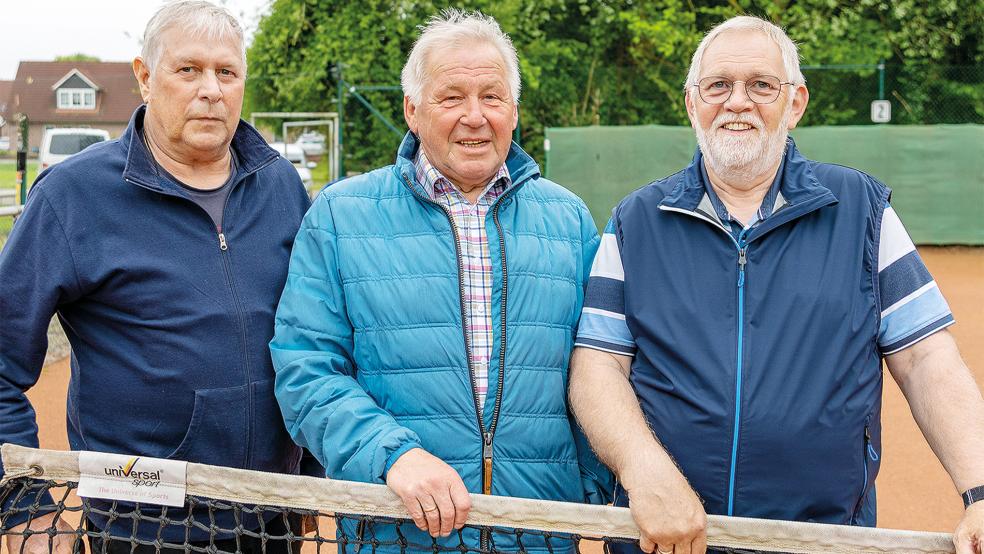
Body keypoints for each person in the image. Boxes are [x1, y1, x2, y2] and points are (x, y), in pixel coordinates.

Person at [568, 15, 984, 554]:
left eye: (761, 85)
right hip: (664, 539)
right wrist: (644, 471)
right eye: (718, 85)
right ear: (692, 104)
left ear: (795, 104)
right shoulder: (635, 222)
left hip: (822, 540)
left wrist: (979, 489)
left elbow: (928, 360)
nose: (737, 101)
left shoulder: (863, 211)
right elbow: (597, 366)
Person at [270, 9, 612, 553]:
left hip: (540, 536)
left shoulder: (569, 221)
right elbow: (305, 370)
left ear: (514, 110)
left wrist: (587, 491)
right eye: (451, 97)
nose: (475, 116)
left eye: (492, 97)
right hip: (394, 536)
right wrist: (392, 455)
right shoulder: (340, 215)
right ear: (412, 110)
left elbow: (603, 369)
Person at [0, 2, 312, 553]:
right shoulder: (71, 198)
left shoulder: (281, 185)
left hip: (271, 513)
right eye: (187, 70)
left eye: (227, 72)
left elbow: (313, 336)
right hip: (140, 523)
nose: (211, 89)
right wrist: (23, 509)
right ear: (144, 76)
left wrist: (308, 471)